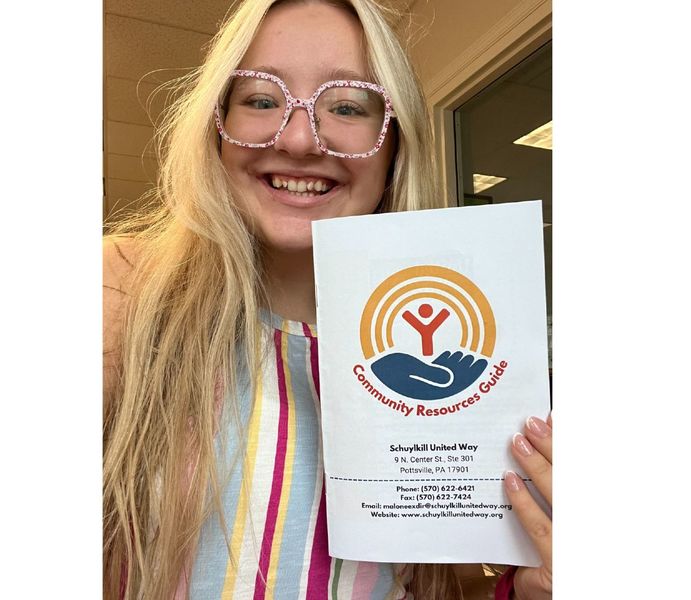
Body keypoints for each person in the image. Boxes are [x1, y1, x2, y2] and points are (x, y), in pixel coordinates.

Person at [103, 0, 553, 598]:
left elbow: (449, 584)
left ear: (395, 145)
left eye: (346, 106)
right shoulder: (120, 289)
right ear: (216, 127)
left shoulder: (466, 361)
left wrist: (530, 585)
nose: (297, 138)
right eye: (261, 99)